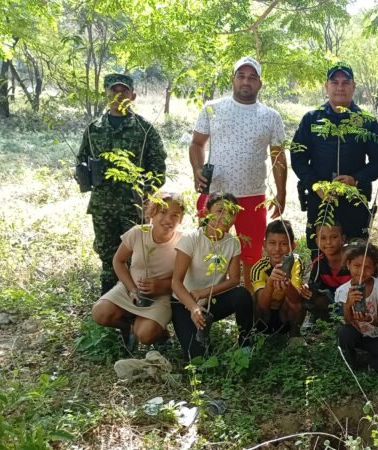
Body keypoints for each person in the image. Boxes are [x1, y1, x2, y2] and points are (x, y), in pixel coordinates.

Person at [189, 56, 287, 293]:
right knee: (206, 250)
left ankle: (251, 310)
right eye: (241, 76)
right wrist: (197, 170)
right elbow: (196, 144)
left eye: (252, 77)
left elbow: (278, 157)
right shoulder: (212, 109)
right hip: (214, 196)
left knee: (252, 257)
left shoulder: (271, 116)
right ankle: (201, 303)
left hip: (252, 197)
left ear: (260, 84)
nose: (246, 81)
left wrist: (281, 193)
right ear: (233, 79)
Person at [77, 73, 167, 294]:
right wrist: (85, 175)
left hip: (134, 206)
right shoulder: (94, 129)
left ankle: (136, 304)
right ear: (106, 94)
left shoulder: (145, 130)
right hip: (102, 205)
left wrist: (146, 197)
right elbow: (81, 161)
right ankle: (108, 302)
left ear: (133, 95)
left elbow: (158, 169)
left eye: (124, 91)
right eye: (113, 91)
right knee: (108, 255)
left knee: (138, 255)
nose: (119, 96)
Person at [290, 63, 378, 253]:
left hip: (354, 201)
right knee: (320, 254)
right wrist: (315, 184)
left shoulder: (366, 122)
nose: (340, 87)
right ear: (326, 86)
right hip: (321, 201)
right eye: (335, 82)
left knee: (355, 253)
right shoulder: (311, 119)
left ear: (353, 86)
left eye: (345, 82)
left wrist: (355, 179)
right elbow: (298, 158)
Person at [92, 192, 184, 353]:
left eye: (175, 215)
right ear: (152, 213)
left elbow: (187, 278)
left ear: (181, 219)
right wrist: (132, 288)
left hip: (162, 295)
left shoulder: (184, 241)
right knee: (100, 313)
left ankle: (159, 333)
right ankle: (128, 327)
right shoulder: (138, 232)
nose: (168, 220)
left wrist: (162, 286)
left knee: (145, 336)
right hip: (131, 289)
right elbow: (118, 261)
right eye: (162, 212)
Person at [171, 193, 254, 360]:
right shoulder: (191, 239)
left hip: (212, 300)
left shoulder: (232, 242)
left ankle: (246, 344)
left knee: (242, 295)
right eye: (220, 210)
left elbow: (235, 279)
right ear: (207, 212)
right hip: (184, 303)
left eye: (231, 212)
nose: (225, 217)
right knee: (197, 358)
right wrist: (193, 307)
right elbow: (176, 282)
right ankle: (200, 337)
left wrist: (204, 292)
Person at [336, 242, 378, 375]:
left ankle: (368, 360)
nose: (361, 271)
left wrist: (369, 318)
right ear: (348, 265)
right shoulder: (343, 290)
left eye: (367, 267)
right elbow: (347, 320)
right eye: (357, 266)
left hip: (377, 336)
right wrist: (348, 304)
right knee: (344, 332)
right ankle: (352, 359)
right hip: (356, 334)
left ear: (375, 268)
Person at [250, 220, 306, 346]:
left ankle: (294, 335)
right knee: (252, 298)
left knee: (303, 292)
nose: (277, 249)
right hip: (265, 317)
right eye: (272, 243)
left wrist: (287, 285)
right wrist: (270, 283)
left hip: (285, 315)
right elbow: (262, 305)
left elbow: (296, 300)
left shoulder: (296, 262)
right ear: (264, 244)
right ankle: (256, 334)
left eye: (284, 244)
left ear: (293, 246)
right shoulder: (258, 268)